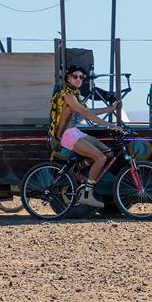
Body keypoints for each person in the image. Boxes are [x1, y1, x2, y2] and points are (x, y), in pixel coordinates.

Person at [49, 65, 122, 207]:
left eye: (81, 77)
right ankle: (86, 194)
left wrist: (110, 109)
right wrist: (110, 125)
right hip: (66, 135)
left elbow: (89, 110)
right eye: (75, 76)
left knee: (108, 153)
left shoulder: (74, 94)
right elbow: (86, 114)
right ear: (68, 78)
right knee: (99, 158)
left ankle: (78, 167)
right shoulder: (67, 95)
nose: (78, 79)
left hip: (74, 131)